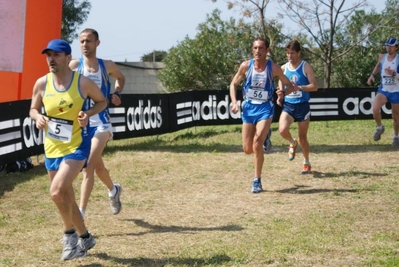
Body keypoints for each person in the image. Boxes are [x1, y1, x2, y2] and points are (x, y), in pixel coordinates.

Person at [29, 39, 107, 260]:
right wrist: (39, 117)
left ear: (67, 58)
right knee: (67, 199)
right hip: (52, 147)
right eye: (48, 55)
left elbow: (101, 102)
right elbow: (33, 109)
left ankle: (69, 237)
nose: (51, 59)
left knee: (56, 192)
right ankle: (86, 237)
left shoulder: (82, 83)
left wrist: (87, 114)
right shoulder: (42, 83)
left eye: (56, 55)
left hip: (76, 146)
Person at [69, 28, 125, 219]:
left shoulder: (107, 65)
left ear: (97, 43)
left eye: (89, 41)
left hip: (102, 123)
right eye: (82, 41)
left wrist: (117, 93)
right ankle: (113, 190)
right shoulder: (74, 65)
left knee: (88, 167)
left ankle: (81, 214)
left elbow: (121, 78)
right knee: (98, 167)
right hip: (82, 124)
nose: (85, 45)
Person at [230, 37, 295, 193]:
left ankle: (257, 181)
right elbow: (233, 84)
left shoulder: (273, 68)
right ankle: (266, 135)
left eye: (260, 48)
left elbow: (290, 85)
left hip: (265, 109)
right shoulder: (246, 66)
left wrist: (283, 92)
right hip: (249, 109)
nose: (257, 51)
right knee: (247, 149)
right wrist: (234, 102)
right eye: (255, 48)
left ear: (267, 50)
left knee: (257, 144)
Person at [276, 40, 318, 174]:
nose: (290, 56)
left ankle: (306, 162)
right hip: (289, 105)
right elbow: (280, 81)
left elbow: (314, 86)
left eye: (292, 53)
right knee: (282, 130)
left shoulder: (306, 67)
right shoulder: (283, 68)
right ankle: (292, 142)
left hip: (302, 106)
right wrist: (280, 94)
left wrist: (298, 87)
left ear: (299, 53)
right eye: (288, 53)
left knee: (303, 138)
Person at [367, 37, 399, 147]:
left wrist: (393, 74)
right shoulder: (382, 57)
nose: (388, 48)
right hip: (384, 89)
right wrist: (372, 75)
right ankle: (380, 127)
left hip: (396, 91)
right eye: (387, 46)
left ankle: (396, 136)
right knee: (375, 109)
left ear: (396, 47)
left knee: (396, 117)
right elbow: (378, 66)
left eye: (391, 46)